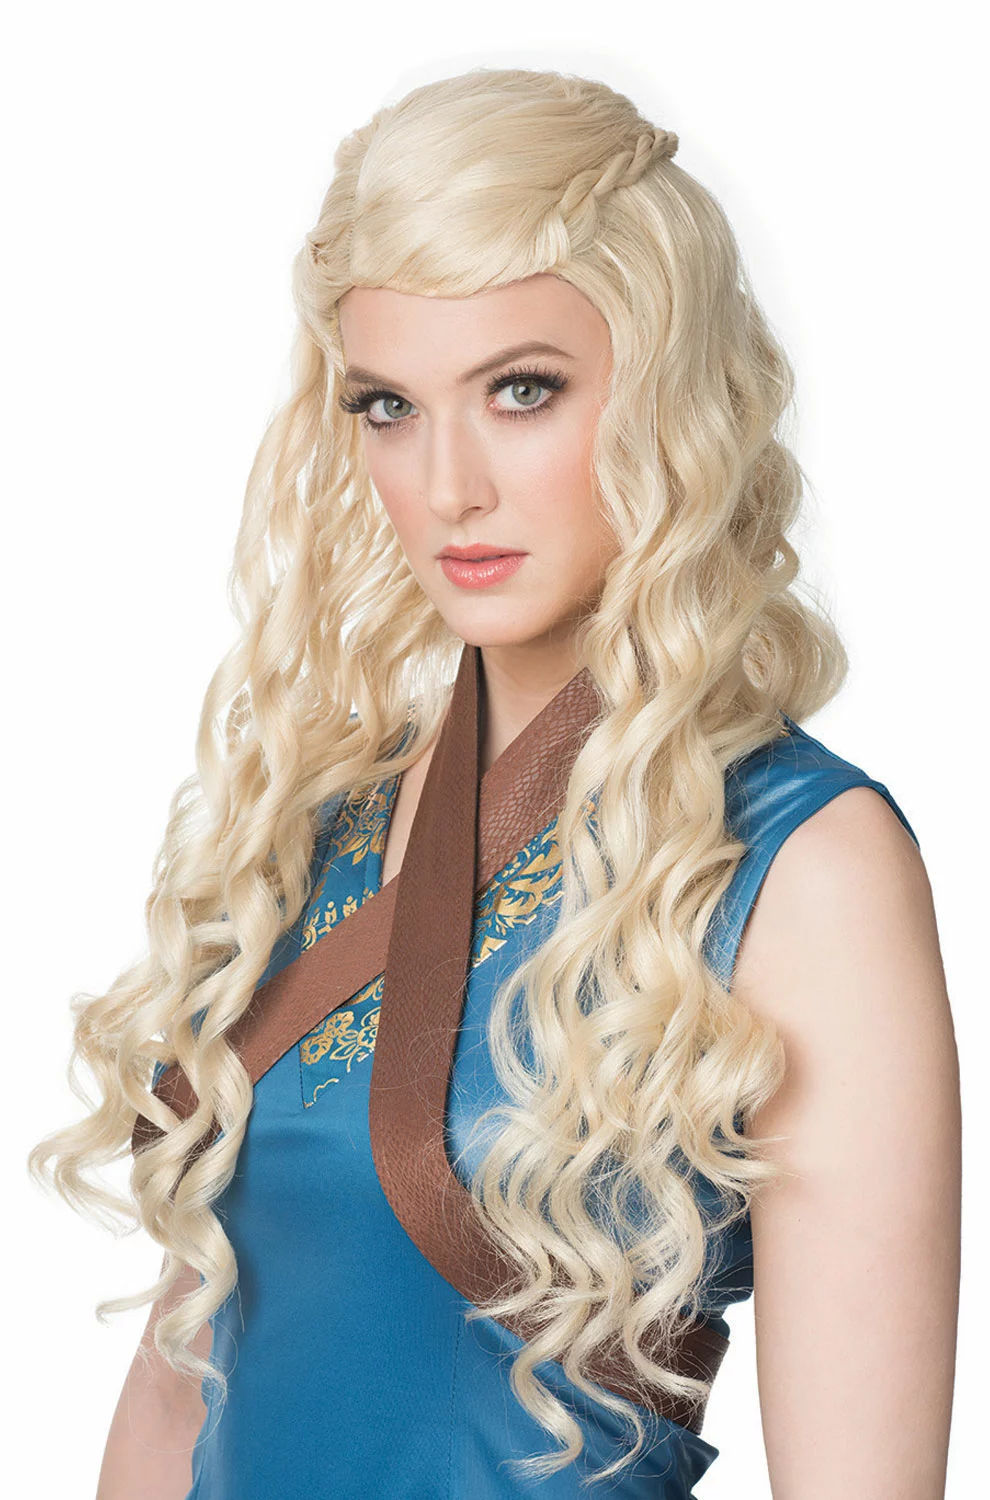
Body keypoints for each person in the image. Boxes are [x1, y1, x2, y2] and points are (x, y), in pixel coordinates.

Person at [29, 66, 959, 1499]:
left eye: (522, 391)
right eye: (389, 406)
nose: (448, 483)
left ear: (666, 393)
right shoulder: (316, 827)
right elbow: (181, 1389)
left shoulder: (799, 867)